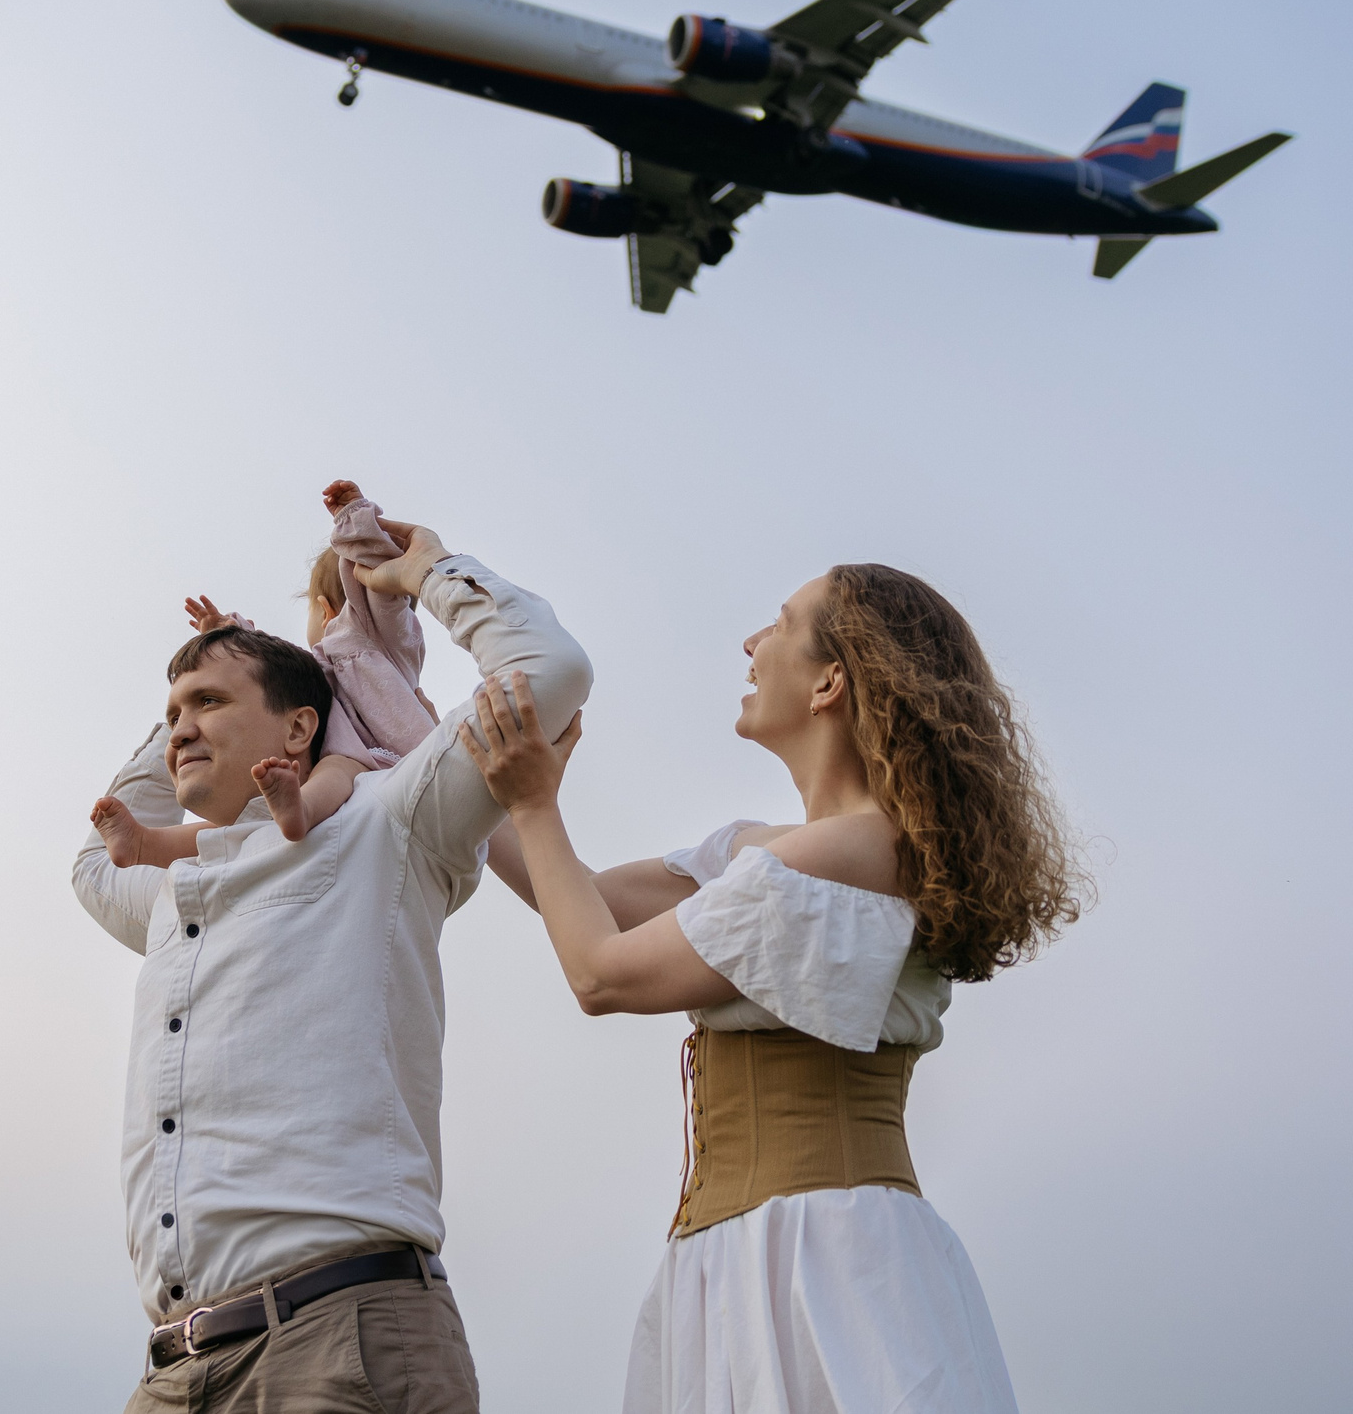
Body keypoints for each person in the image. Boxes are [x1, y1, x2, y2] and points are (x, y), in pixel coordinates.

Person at [461, 564, 1082, 1414]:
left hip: (823, 1266)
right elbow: (583, 896)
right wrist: (414, 733)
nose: (752, 642)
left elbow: (600, 971)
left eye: (781, 624)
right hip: (738, 1263)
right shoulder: (776, 852)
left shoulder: (853, 853)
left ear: (831, 682)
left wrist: (536, 804)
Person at [73, 502, 592, 1414]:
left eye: (208, 705)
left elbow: (550, 670)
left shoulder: (385, 822)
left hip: (338, 1340)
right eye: (172, 713)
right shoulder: (173, 891)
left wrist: (426, 570)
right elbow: (92, 865)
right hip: (174, 1374)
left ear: (300, 728)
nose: (180, 729)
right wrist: (205, 672)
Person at [91, 480, 453, 859]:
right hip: (324, 774)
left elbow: (380, 577)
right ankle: (144, 844)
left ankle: (302, 810)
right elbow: (267, 662)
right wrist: (226, 633)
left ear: (325, 609)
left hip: (381, 763)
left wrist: (354, 518)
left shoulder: (380, 643)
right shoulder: (322, 668)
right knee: (237, 828)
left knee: (336, 769)